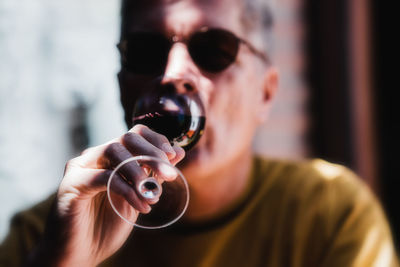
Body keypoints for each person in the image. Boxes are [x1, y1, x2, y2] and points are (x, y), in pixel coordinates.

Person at [0, 0, 398, 266]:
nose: (173, 74)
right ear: (121, 82)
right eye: (145, 51)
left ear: (265, 92)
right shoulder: (47, 233)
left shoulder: (329, 214)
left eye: (213, 50)